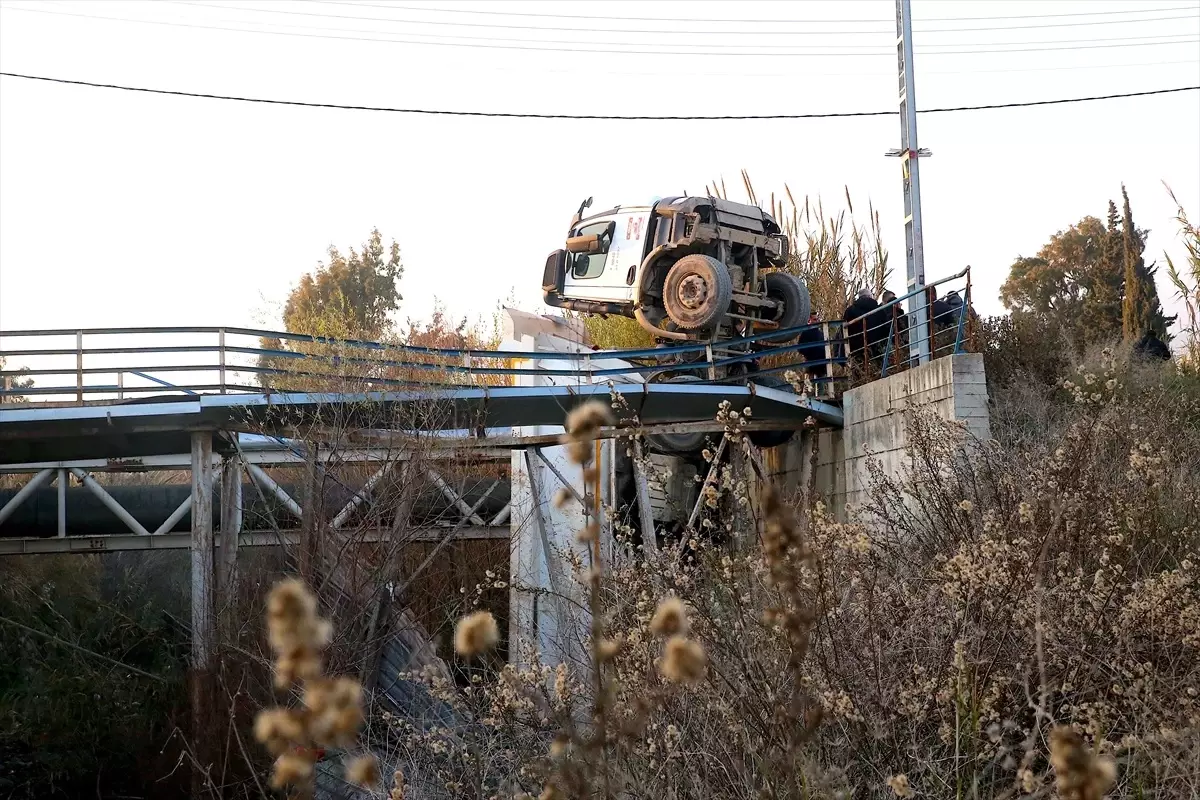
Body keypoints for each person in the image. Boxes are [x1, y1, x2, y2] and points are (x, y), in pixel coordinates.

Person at [843, 288, 879, 369]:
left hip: (856, 346)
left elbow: (844, 329)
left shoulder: (850, 311)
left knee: (858, 369)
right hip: (875, 344)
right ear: (870, 296)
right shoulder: (877, 309)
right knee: (877, 365)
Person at [796, 310, 827, 379]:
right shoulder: (806, 332)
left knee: (820, 385)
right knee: (809, 383)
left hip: (821, 362)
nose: (817, 321)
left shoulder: (821, 334)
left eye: (817, 319)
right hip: (811, 361)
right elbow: (800, 347)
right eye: (815, 319)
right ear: (810, 320)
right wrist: (808, 353)